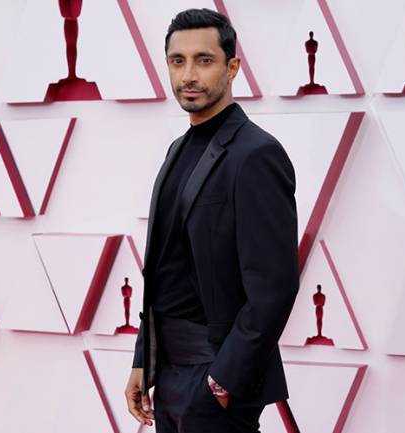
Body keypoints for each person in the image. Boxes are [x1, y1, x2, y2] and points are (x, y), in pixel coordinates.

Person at [124, 9, 299, 433]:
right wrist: (144, 362)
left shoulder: (255, 154)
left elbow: (274, 287)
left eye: (204, 60)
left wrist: (223, 381)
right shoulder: (176, 151)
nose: (188, 74)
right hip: (168, 374)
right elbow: (165, 271)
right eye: (177, 60)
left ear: (232, 67)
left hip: (215, 377)